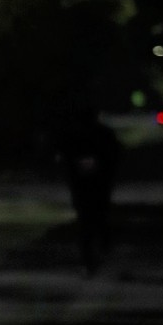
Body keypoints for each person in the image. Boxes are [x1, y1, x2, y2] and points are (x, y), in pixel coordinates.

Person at [57, 107, 120, 273]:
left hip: (91, 184)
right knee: (94, 217)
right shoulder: (98, 134)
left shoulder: (77, 135)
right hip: (91, 184)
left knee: (89, 219)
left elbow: (114, 155)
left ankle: (93, 252)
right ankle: (94, 252)